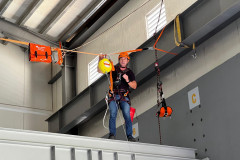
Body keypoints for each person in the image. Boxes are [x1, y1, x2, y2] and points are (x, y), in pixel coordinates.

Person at [98, 52, 137, 141]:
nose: (123, 61)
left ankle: (129, 136)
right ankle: (112, 134)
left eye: (125, 59)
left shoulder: (129, 72)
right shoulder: (113, 69)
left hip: (124, 96)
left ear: (127, 61)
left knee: (127, 115)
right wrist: (100, 59)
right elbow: (100, 70)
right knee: (113, 114)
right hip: (113, 95)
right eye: (121, 59)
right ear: (119, 60)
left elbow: (134, 86)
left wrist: (127, 80)